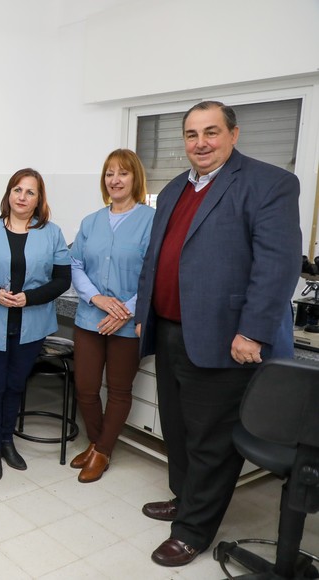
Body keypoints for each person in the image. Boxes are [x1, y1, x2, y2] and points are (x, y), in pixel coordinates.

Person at [134, 101, 301, 567]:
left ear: (233, 134)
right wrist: (147, 312)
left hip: (227, 338)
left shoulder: (269, 184)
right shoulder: (172, 189)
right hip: (170, 332)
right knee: (179, 428)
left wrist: (252, 331)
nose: (200, 143)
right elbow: (156, 258)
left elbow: (277, 265)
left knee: (211, 439)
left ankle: (193, 530)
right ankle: (185, 499)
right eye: (191, 134)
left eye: (211, 132)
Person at [0, 168, 71, 481]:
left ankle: (8, 441)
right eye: (17, 190)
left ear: (39, 200)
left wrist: (32, 297)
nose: (22, 197)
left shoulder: (51, 233)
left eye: (30, 192)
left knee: (15, 385)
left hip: (31, 325)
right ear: (8, 194)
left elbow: (62, 279)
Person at [68, 150, 154, 483]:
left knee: (118, 391)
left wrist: (127, 309)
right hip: (91, 317)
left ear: (135, 178)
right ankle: (96, 442)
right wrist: (98, 298)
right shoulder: (91, 221)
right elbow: (75, 264)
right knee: (86, 388)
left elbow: (153, 271)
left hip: (128, 323)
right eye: (109, 174)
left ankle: (102, 451)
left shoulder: (151, 220)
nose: (115, 180)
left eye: (122, 173)